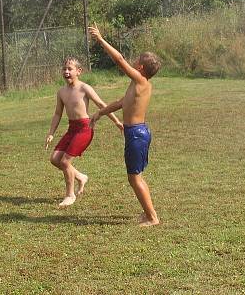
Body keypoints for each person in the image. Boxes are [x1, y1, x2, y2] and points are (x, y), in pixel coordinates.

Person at [88, 26, 162, 227]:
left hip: (137, 134)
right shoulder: (138, 84)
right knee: (136, 177)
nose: (133, 61)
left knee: (134, 178)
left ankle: (152, 217)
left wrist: (101, 40)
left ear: (140, 68)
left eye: (137, 60)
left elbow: (119, 59)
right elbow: (121, 103)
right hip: (136, 133)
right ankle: (148, 213)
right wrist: (99, 113)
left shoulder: (140, 80)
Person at [45, 57, 123, 207]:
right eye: (64, 69)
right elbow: (57, 114)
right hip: (71, 129)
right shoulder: (61, 92)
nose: (66, 71)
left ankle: (70, 195)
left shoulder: (84, 88)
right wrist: (51, 133)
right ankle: (80, 177)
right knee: (55, 159)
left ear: (79, 71)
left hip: (84, 129)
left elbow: (101, 104)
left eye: (70, 69)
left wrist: (117, 122)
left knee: (65, 161)